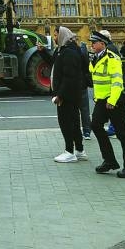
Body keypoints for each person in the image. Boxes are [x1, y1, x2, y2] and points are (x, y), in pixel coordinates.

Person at [88, 31, 125, 178]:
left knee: (123, 133)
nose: (92, 44)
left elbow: (117, 81)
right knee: (96, 125)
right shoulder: (95, 58)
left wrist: (112, 100)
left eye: (94, 42)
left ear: (102, 44)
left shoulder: (112, 58)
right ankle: (109, 160)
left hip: (115, 100)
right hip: (102, 99)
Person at [51, 27, 86, 162]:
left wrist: (59, 95)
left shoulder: (69, 53)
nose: (54, 37)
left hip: (68, 95)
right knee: (74, 122)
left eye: (55, 35)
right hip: (72, 93)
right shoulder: (65, 50)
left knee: (66, 122)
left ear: (62, 35)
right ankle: (79, 150)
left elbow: (69, 77)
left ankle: (69, 151)